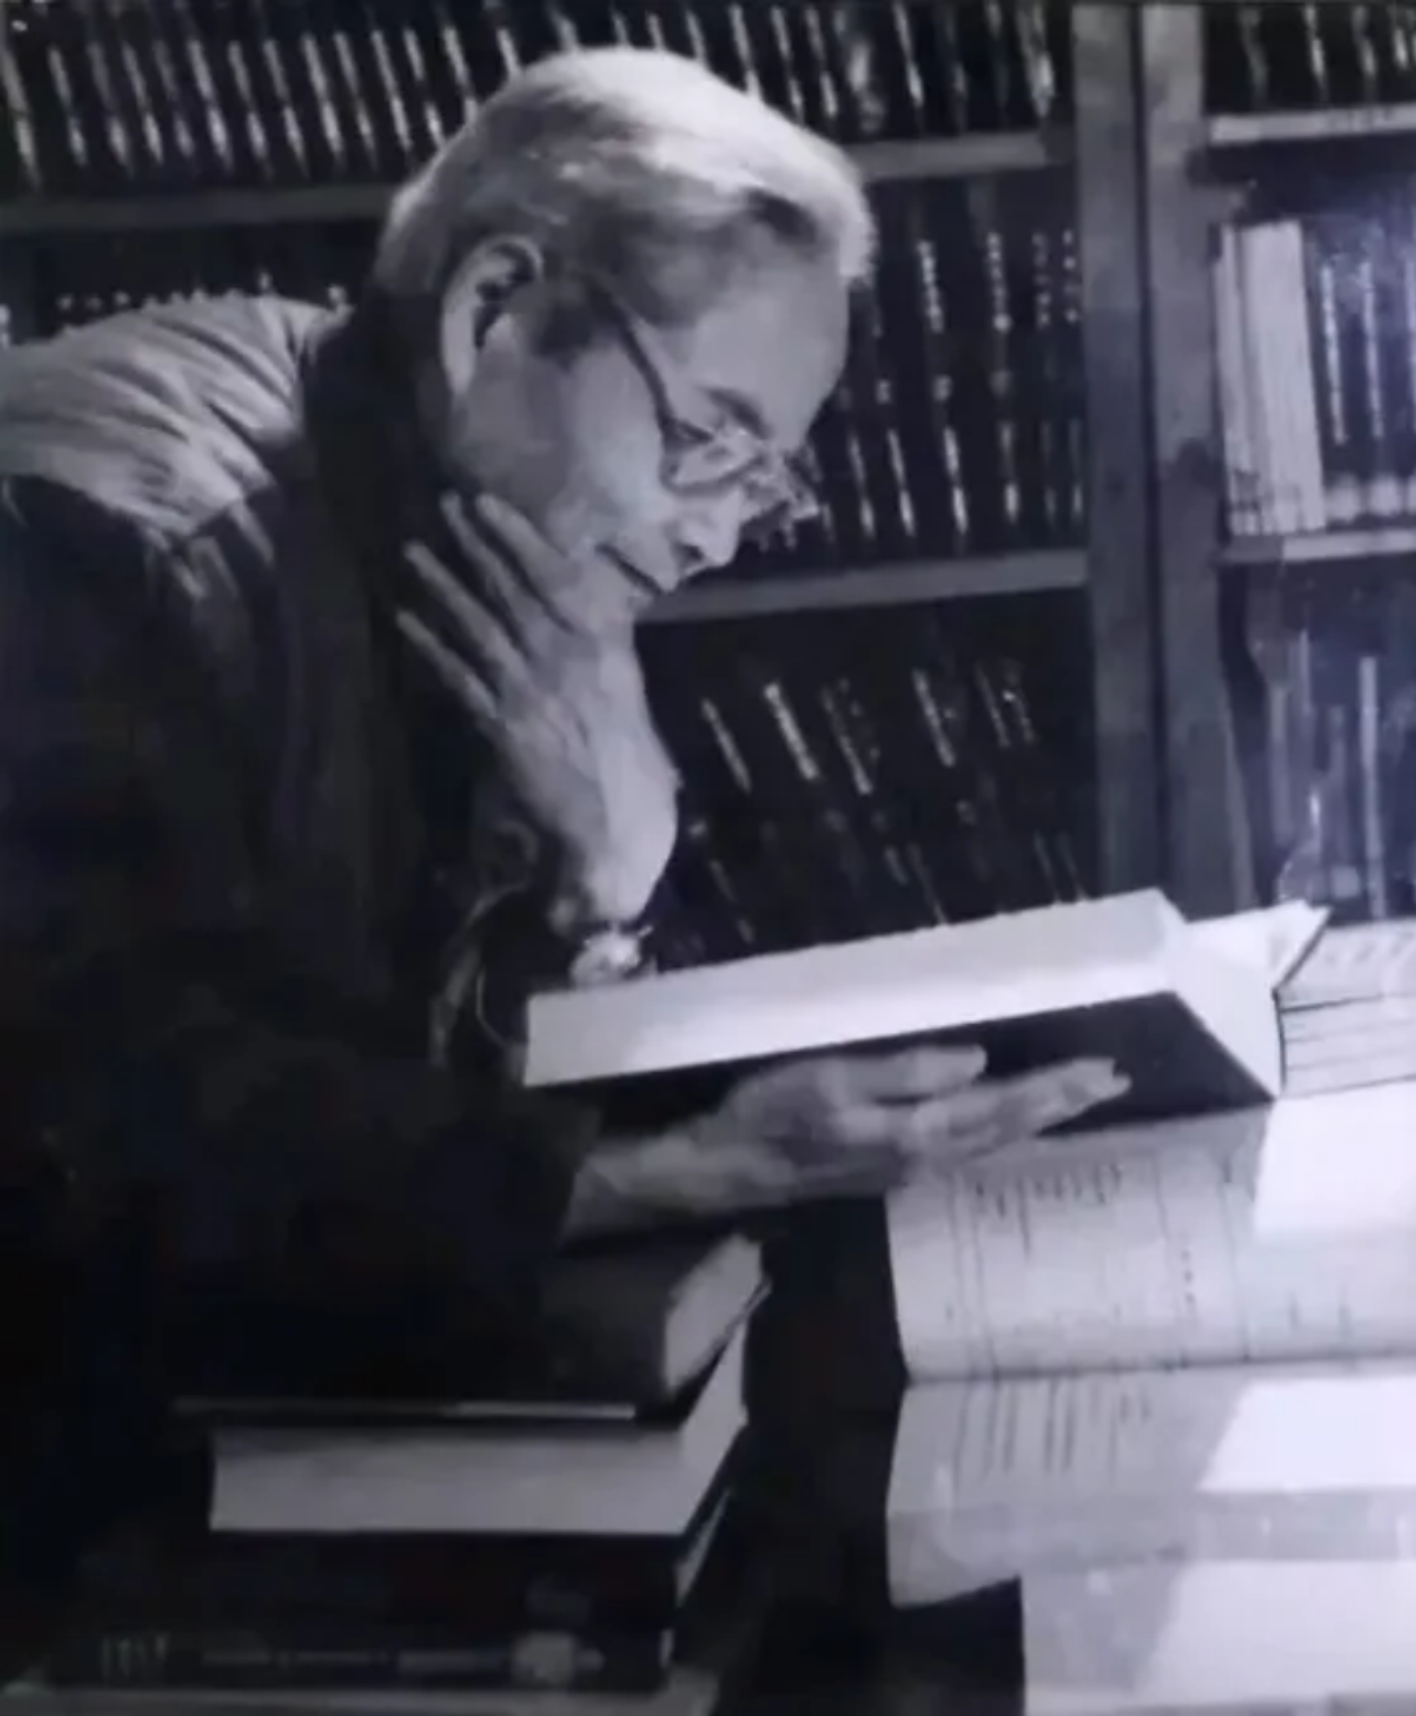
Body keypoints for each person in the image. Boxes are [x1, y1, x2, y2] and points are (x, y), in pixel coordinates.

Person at [0, 47, 1123, 1573]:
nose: (716, 537)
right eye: (704, 441)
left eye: (764, 481)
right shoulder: (101, 547)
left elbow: (403, 1087)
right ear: (494, 312)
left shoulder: (469, 534)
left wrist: (605, 889)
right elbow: (103, 1150)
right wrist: (683, 1170)